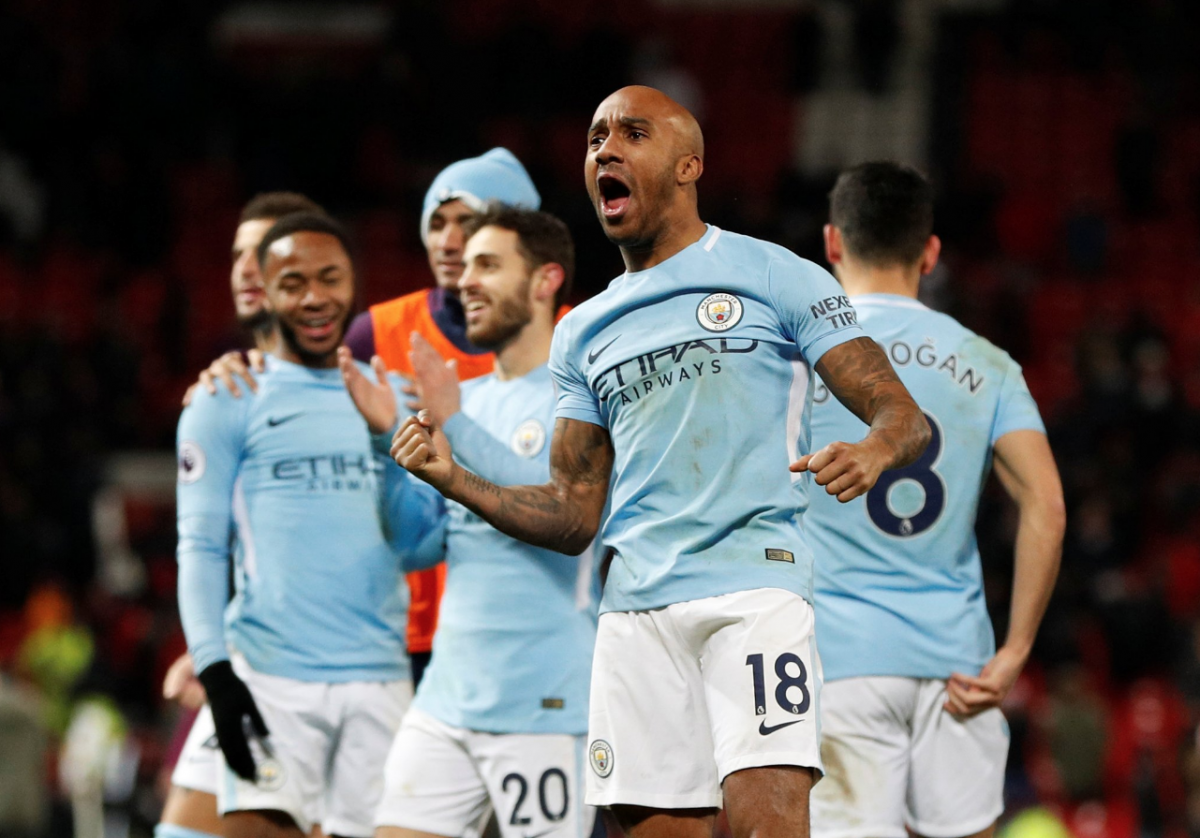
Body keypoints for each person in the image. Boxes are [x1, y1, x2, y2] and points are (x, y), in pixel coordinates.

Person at [390, 85, 930, 838]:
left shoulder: (775, 273)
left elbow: (903, 414)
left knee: (769, 828)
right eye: (594, 138)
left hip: (755, 592)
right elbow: (573, 513)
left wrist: (874, 448)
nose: (605, 149)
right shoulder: (582, 331)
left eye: (632, 134)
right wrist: (456, 479)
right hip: (633, 614)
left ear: (688, 165)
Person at [197, 149, 542, 687]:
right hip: (402, 633)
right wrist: (237, 369)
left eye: (468, 223)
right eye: (436, 223)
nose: (449, 242)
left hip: (535, 618)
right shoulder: (375, 333)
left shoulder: (573, 339)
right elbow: (296, 397)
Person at [806, 162, 1065, 838]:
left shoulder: (796, 361)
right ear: (930, 252)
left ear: (832, 242)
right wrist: (1016, 650)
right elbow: (1046, 505)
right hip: (958, 665)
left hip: (837, 661)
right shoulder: (989, 363)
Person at [175, 212, 441, 838]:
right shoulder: (225, 397)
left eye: (330, 278)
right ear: (264, 292)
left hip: (382, 679)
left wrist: (386, 442)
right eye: (293, 283)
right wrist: (214, 669)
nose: (316, 297)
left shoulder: (397, 397)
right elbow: (201, 546)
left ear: (354, 284)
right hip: (271, 679)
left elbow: (418, 546)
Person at [340, 205, 599, 838]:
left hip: (545, 702)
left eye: (488, 264)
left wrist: (455, 424)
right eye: (466, 268)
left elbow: (564, 519)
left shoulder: (583, 396)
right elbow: (416, 545)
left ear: (545, 280)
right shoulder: (466, 399)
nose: (465, 281)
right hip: (446, 699)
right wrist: (383, 442)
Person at [161, 191, 328, 838]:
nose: (245, 269)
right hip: (258, 663)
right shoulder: (231, 389)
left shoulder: (354, 381)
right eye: (237, 254)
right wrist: (216, 649)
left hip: (349, 673)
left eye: (264, 253)